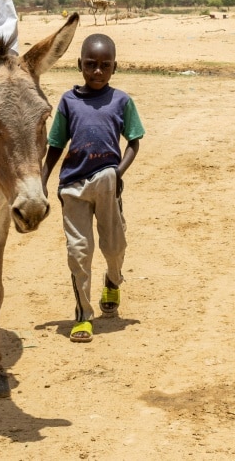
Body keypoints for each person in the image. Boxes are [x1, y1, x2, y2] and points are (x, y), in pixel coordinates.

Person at [41, 34, 144, 344]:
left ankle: (113, 280)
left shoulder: (122, 101)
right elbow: (56, 145)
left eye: (104, 66)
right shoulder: (68, 102)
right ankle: (83, 315)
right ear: (79, 65)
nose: (97, 72)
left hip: (107, 182)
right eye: (90, 65)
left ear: (114, 67)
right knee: (79, 250)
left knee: (114, 246)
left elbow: (134, 142)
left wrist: (118, 173)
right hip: (72, 186)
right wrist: (42, 180)